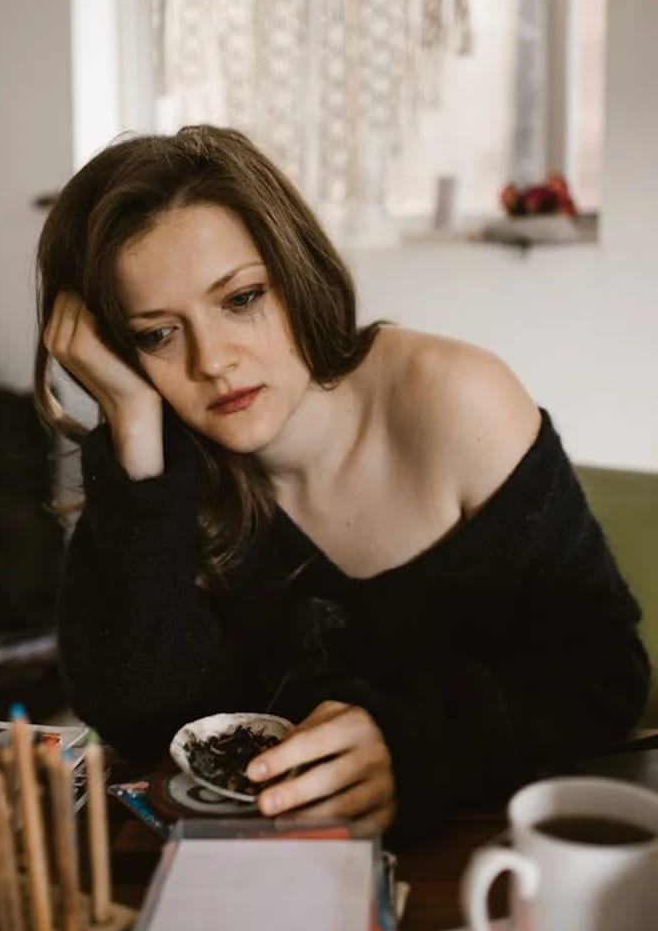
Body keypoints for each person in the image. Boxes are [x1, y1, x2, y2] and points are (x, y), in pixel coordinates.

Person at [35, 125, 649, 846]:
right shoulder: (164, 470)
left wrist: (413, 744)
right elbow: (142, 720)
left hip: (487, 862)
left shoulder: (456, 401)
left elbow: (603, 675)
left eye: (242, 298)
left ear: (297, 271)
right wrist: (136, 434)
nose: (213, 361)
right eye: (156, 334)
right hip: (268, 871)